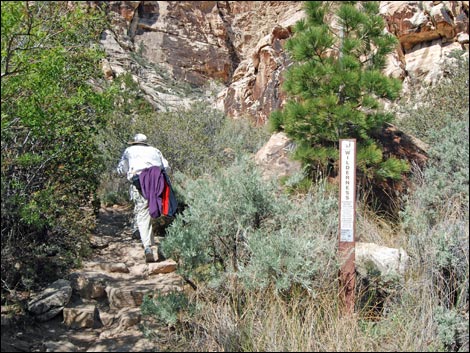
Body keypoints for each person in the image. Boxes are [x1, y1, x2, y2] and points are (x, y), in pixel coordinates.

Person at [117, 133, 170, 262]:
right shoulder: (155, 150)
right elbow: (166, 166)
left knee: (142, 214)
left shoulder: (129, 150)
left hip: (140, 185)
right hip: (158, 185)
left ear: (134, 142)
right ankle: (159, 245)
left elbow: (121, 169)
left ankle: (147, 247)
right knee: (158, 213)